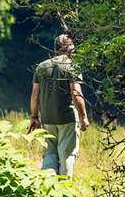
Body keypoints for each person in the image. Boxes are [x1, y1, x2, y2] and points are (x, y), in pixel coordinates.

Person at [29, 34, 90, 176]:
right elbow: (75, 93)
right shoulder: (71, 67)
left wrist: (34, 117)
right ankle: (63, 193)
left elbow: (34, 95)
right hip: (67, 118)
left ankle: (48, 188)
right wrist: (83, 117)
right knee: (67, 155)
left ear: (56, 49)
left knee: (49, 153)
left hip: (47, 119)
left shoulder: (42, 66)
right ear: (70, 49)